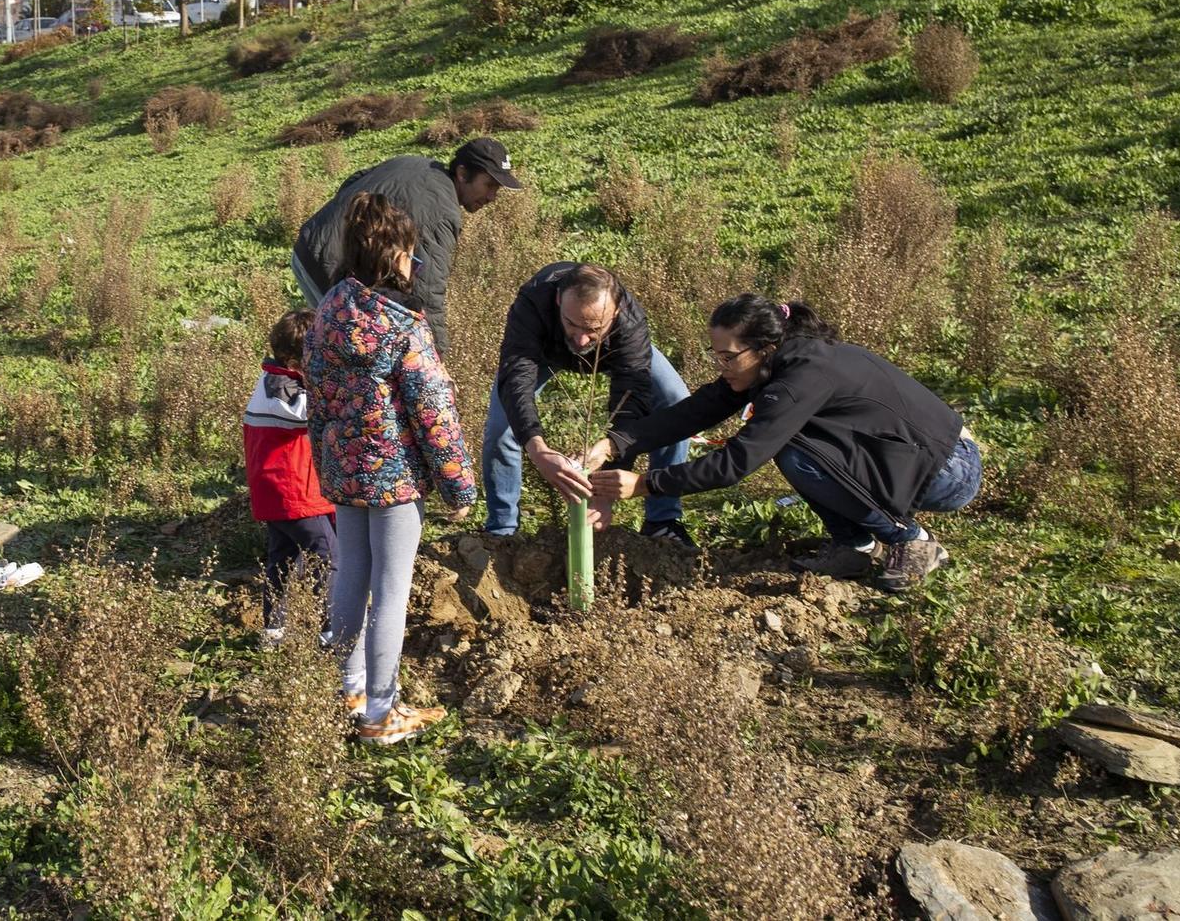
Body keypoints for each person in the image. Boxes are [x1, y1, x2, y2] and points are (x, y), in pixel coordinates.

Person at [584, 294, 981, 593]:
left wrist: (645, 485)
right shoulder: (780, 362)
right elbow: (698, 410)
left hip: (948, 473)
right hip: (912, 459)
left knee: (796, 449)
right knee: (800, 446)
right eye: (716, 356)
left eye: (728, 358)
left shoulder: (802, 377)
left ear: (764, 349)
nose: (721, 367)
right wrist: (615, 444)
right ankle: (855, 547)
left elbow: (738, 462)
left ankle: (911, 541)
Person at [308, 193, 476, 745]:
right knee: (393, 590)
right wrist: (459, 486)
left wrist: (326, 459)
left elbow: (318, 395)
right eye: (411, 253)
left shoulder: (329, 310)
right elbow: (434, 411)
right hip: (395, 478)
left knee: (352, 573)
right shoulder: (402, 326)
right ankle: (381, 715)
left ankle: (350, 687)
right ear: (396, 255)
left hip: (343, 470)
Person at [482, 263, 695, 545]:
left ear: (615, 313)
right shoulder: (532, 304)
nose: (581, 339)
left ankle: (662, 520)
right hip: (544, 354)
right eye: (571, 323)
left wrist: (604, 486)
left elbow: (630, 401)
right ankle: (502, 530)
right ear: (558, 300)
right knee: (502, 427)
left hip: (613, 354)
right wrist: (537, 449)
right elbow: (517, 380)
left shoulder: (629, 323)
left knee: (675, 402)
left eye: (593, 328)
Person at [292, 137, 522, 359]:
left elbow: (355, 181)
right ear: (462, 173)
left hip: (308, 244)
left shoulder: (416, 163)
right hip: (329, 264)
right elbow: (429, 289)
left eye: (497, 188)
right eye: (489, 184)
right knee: (358, 353)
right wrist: (435, 355)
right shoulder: (441, 211)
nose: (493, 196)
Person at [243, 308, 334, 649]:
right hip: (295, 493)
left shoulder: (272, 380)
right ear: (302, 359)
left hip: (274, 492)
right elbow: (309, 415)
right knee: (328, 556)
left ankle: (274, 629)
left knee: (281, 558)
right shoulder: (283, 389)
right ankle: (333, 630)